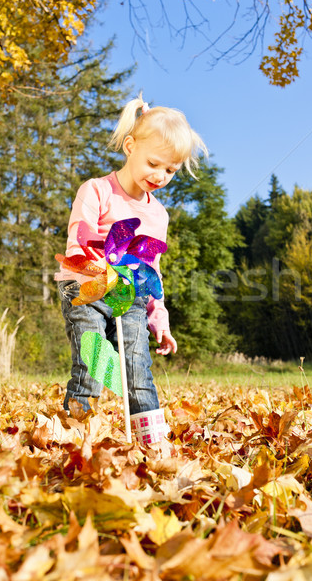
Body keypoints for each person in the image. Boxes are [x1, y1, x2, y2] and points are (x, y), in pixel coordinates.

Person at [55, 93, 207, 415]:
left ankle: (150, 440)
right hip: (85, 285)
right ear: (129, 147)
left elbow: (151, 272)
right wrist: (105, 269)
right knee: (93, 365)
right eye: (153, 164)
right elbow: (76, 243)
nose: (160, 176)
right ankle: (75, 432)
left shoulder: (159, 216)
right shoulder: (96, 190)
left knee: (137, 368)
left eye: (171, 170)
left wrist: (159, 319)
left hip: (130, 293)